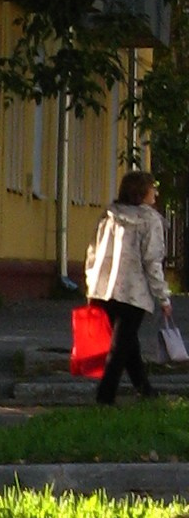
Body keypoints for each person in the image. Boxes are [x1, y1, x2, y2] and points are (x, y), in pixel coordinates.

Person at [83, 169, 175, 405]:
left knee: (127, 341)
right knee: (120, 347)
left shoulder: (109, 215)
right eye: (151, 187)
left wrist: (90, 282)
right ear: (142, 192)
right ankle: (105, 398)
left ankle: (145, 389)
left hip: (102, 288)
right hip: (133, 292)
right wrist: (163, 297)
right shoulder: (150, 220)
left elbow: (92, 252)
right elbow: (152, 261)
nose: (155, 191)